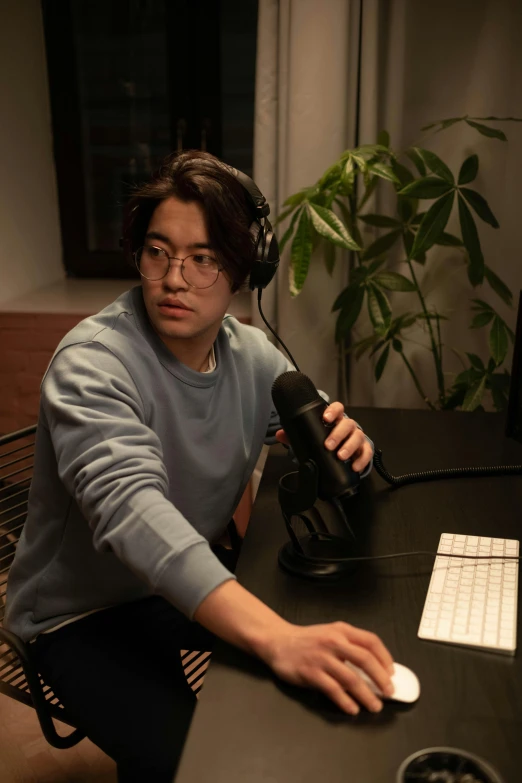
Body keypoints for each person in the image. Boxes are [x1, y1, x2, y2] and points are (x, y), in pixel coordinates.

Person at [5, 151, 394, 782]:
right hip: (77, 617)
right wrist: (273, 638)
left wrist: (351, 443)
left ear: (244, 271)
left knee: (320, 674)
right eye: (158, 252)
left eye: (204, 258)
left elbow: (317, 421)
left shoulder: (253, 355)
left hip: (171, 590)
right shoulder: (93, 364)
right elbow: (134, 514)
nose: (174, 278)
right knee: (204, 762)